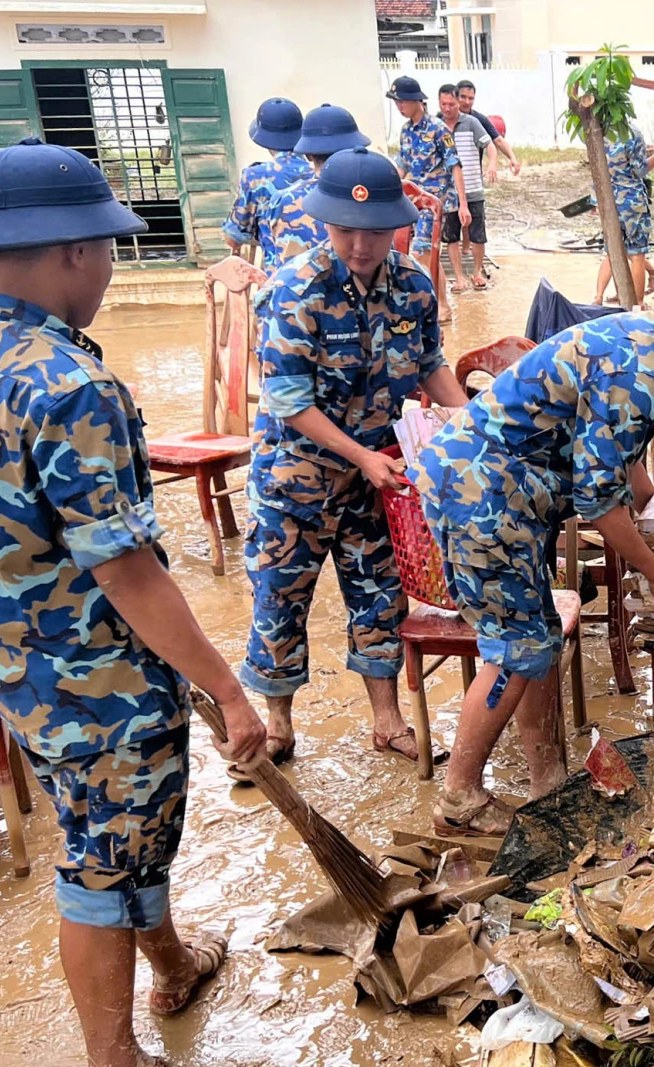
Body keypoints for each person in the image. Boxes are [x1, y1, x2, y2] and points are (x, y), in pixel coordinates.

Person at [0, 137, 267, 1067]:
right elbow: (127, 569)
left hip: (8, 660)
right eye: (105, 249)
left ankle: (172, 963)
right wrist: (227, 689)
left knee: (116, 829)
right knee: (104, 861)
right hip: (95, 670)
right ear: (73, 251)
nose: (107, 268)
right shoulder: (69, 385)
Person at [414, 276, 654, 834]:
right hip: (483, 495)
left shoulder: (651, 347)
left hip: (499, 493)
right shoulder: (637, 369)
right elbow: (599, 499)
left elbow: (619, 459)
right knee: (516, 646)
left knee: (537, 637)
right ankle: (459, 799)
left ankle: (547, 779)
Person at [242, 149, 468, 766]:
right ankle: (277, 724)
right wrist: (359, 456)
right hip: (297, 478)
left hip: (380, 478)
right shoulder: (296, 289)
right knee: (281, 596)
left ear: (396, 224)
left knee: (380, 594)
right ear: (325, 222)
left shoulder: (413, 285)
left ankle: (387, 720)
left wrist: (469, 423)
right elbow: (289, 401)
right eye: (346, 230)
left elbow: (429, 365)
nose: (361, 245)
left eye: (375, 230)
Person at [255, 103, 372, 273]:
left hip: (296, 287)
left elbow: (274, 264)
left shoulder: (283, 201)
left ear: (308, 155)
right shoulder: (370, 196)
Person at [594, 121, 654, 307]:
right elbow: (641, 170)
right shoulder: (632, 132)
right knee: (637, 255)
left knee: (613, 250)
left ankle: (598, 297)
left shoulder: (598, 130)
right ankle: (638, 303)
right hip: (632, 201)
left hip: (609, 198)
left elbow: (599, 169)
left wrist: (595, 200)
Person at [223, 97, 312, 255]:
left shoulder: (255, 177)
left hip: (279, 269)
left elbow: (233, 238)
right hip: (325, 267)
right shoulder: (321, 172)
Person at [387, 75, 464, 252]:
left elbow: (455, 165)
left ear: (416, 100)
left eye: (402, 101)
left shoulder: (438, 128)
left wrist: (463, 205)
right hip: (414, 200)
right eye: (396, 102)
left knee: (421, 248)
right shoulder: (406, 130)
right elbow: (402, 166)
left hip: (434, 201)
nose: (399, 106)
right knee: (408, 248)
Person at [437, 84, 494, 293]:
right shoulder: (436, 126)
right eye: (443, 104)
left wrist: (492, 163)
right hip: (448, 192)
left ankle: (477, 272)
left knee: (478, 234)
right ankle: (459, 278)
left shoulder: (472, 123)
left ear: (458, 102)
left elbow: (490, 144)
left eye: (451, 104)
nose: (447, 108)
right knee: (451, 236)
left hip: (473, 187)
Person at [455, 80, 521, 177]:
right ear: (456, 96)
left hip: (473, 175)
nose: (467, 102)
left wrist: (512, 158)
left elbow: (498, 140)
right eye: (463, 97)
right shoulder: (443, 119)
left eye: (471, 98)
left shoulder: (479, 119)